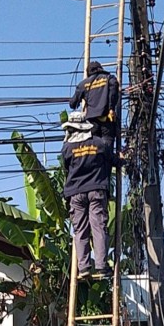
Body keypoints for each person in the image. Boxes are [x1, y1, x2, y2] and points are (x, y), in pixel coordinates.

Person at [61, 115, 117, 280]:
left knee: (80, 231)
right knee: (98, 228)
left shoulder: (67, 148)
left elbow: (66, 168)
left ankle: (83, 267)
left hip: (75, 193)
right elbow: (112, 160)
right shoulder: (99, 144)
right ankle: (101, 266)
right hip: (96, 190)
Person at [69, 61, 119, 147]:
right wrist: (111, 108)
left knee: (94, 147)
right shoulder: (110, 78)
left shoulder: (83, 84)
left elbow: (72, 104)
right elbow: (113, 92)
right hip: (107, 119)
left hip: (91, 122)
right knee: (107, 147)